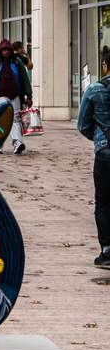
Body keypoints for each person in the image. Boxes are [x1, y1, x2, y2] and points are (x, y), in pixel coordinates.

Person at [77, 52, 110, 269]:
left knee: (103, 202)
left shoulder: (96, 89)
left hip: (106, 154)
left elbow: (83, 125)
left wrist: (99, 140)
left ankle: (107, 251)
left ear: (106, 67)